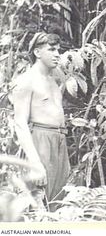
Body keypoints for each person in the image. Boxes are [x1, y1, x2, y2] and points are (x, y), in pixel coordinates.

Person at [10, 32, 70, 209]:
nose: (57, 54)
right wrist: (35, 162)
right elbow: (20, 124)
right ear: (37, 52)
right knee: (38, 203)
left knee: (58, 203)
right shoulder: (26, 81)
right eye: (51, 49)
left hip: (60, 141)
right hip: (40, 141)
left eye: (58, 50)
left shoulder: (55, 79)